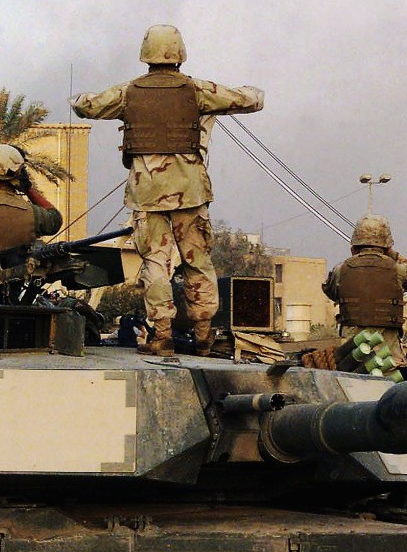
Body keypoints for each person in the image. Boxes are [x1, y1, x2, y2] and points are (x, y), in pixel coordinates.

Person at [70, 25, 264, 356]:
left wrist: (76, 97)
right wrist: (250, 90)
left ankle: (161, 336)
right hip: (189, 191)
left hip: (146, 193)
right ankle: (203, 335)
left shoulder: (128, 92)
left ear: (145, 53)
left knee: (155, 263)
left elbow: (84, 105)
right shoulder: (197, 91)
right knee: (197, 260)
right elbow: (251, 100)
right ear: (179, 53)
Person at [323, 214, 407, 364]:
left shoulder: (341, 269)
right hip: (387, 353)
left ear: (355, 244)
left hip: (352, 352)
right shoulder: (397, 269)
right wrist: (395, 255)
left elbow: (332, 292)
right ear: (387, 244)